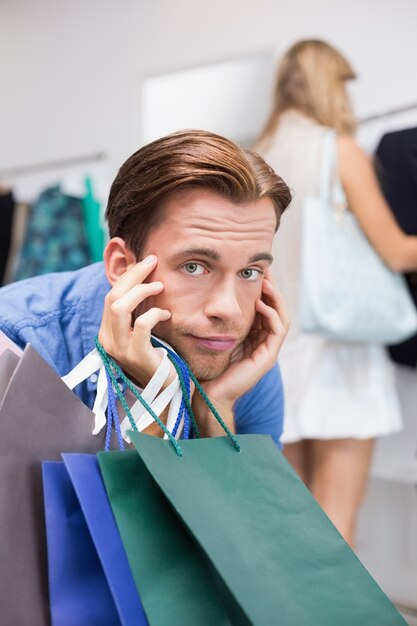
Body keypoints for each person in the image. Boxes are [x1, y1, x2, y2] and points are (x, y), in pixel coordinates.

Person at [0, 129, 291, 445]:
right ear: (121, 266)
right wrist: (156, 399)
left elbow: (245, 497)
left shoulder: (234, 352)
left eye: (249, 272)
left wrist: (214, 410)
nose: (229, 309)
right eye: (194, 267)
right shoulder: (17, 341)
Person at [254, 39, 417, 546]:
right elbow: (396, 252)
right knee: (336, 518)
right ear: (331, 85)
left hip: (276, 348)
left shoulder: (254, 155)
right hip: (340, 350)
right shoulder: (337, 150)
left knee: (292, 515)